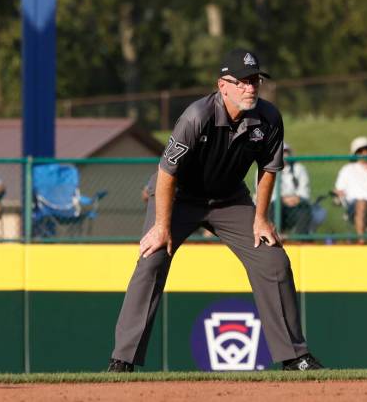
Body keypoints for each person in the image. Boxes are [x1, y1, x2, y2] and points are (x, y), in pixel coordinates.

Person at [108, 48, 322, 372]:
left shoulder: (268, 118)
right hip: (178, 195)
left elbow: (269, 169)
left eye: (255, 81)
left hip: (229, 200)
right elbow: (167, 173)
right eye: (243, 81)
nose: (251, 87)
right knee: (151, 260)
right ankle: (123, 359)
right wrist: (162, 227)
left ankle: (294, 356)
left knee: (274, 260)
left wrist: (261, 219)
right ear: (223, 85)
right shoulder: (197, 116)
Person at [269, 143, 315, 235]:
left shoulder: (299, 169)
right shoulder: (267, 169)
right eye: (281, 152)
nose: (284, 155)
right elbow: (266, 193)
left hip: (297, 204)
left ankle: (301, 240)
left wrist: (296, 198)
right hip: (276, 205)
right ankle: (277, 236)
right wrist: (283, 199)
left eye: (285, 152)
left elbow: (304, 190)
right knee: (275, 206)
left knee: (305, 208)